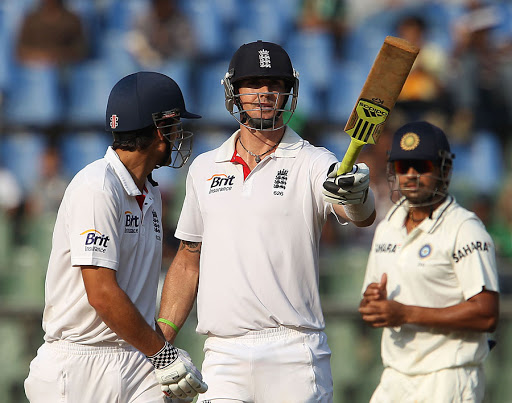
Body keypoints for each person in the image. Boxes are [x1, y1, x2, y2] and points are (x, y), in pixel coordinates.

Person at [158, 40, 376, 402]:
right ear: (234, 91)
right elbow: (187, 259)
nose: (264, 93)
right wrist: (161, 341)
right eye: (253, 84)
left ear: (288, 93)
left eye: (274, 84)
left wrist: (358, 195)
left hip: (293, 351)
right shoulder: (203, 168)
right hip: (223, 354)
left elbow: (358, 214)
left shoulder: (314, 161)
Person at [24, 71, 208, 402]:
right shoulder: (97, 187)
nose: (179, 134)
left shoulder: (150, 195)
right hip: (78, 363)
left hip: (134, 358)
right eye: (175, 124)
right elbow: (102, 294)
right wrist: (163, 355)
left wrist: (160, 350)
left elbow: (134, 298)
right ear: (158, 131)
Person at [359, 121, 499, 402]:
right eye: (402, 166)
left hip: (448, 375)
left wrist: (406, 314)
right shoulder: (388, 226)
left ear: (444, 170)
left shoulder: (464, 228)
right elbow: (368, 305)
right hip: (395, 375)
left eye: (421, 166)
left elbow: (486, 314)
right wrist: (373, 302)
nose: (411, 175)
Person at [15, 0, 89, 66]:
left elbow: (81, 51)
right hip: (35, 69)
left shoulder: (72, 20)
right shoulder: (31, 20)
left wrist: (57, 55)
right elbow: (20, 51)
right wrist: (41, 56)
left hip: (66, 69)